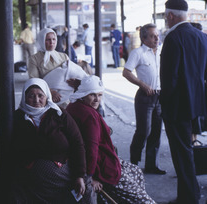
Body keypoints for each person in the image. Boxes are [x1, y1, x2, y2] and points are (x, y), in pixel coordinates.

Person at [66, 75, 156, 204]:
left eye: (100, 95)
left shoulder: (73, 106)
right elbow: (91, 149)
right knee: (143, 200)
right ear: (83, 94)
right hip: (101, 168)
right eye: (92, 95)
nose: (97, 99)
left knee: (136, 171)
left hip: (100, 160)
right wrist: (91, 177)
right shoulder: (89, 116)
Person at [9, 78, 92, 203]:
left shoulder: (59, 114)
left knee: (85, 187)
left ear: (47, 96)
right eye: (31, 96)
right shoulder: (18, 118)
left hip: (63, 172)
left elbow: (77, 144)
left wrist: (79, 175)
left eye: (40, 95)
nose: (36, 100)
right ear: (24, 98)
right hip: (34, 178)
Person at [160, 0, 207, 203]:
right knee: (187, 150)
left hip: (176, 106)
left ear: (171, 16)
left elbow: (169, 78)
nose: (165, 19)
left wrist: (163, 102)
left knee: (182, 153)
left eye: (164, 16)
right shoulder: (202, 37)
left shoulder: (173, 38)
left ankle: (188, 197)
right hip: (196, 102)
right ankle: (191, 193)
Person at [122, 23, 166, 175]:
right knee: (143, 131)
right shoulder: (138, 53)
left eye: (157, 35)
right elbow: (126, 72)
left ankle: (151, 165)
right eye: (153, 36)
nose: (157, 38)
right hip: (145, 96)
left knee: (156, 132)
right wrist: (142, 84)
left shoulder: (161, 51)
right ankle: (134, 164)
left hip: (160, 96)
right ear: (144, 38)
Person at [28, 28, 87, 107]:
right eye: (48, 40)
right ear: (41, 40)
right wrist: (49, 91)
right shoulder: (34, 59)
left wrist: (77, 82)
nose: (51, 42)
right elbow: (34, 81)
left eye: (53, 39)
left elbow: (72, 72)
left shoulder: (63, 56)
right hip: (47, 98)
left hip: (67, 97)